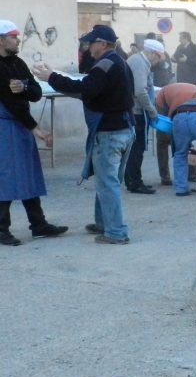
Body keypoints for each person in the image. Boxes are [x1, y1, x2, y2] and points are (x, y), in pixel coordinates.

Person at [34, 24, 135, 245]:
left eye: (91, 42)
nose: (88, 47)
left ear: (102, 43)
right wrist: (55, 78)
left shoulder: (105, 65)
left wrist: (50, 76)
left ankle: (116, 232)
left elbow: (84, 88)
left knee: (108, 183)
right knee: (108, 181)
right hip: (124, 128)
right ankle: (104, 223)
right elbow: (89, 91)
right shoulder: (119, 63)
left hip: (110, 132)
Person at [0, 20, 67, 246]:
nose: (18, 39)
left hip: (19, 125)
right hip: (4, 126)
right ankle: (1, 229)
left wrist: (25, 87)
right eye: (13, 35)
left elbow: (36, 92)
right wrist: (37, 129)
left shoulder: (18, 63)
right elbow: (11, 102)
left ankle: (38, 225)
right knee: (6, 177)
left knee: (29, 174)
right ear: (1, 39)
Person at [123, 38, 164, 194]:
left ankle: (134, 179)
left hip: (134, 109)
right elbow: (140, 90)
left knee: (136, 147)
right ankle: (134, 182)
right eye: (159, 57)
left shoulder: (139, 60)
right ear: (153, 53)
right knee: (137, 147)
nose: (158, 61)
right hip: (136, 111)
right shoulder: (140, 63)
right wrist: (152, 111)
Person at [154, 82, 196, 185]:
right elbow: (174, 120)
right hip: (163, 103)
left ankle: (192, 173)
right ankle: (165, 177)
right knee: (164, 140)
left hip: (175, 98)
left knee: (184, 139)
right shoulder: (183, 100)